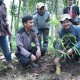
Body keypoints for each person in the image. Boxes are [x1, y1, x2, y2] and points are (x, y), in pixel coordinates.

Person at [0, 0, 14, 69]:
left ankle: (9, 63)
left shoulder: (3, 5)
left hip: (3, 32)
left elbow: (5, 19)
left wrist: (9, 31)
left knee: (6, 48)